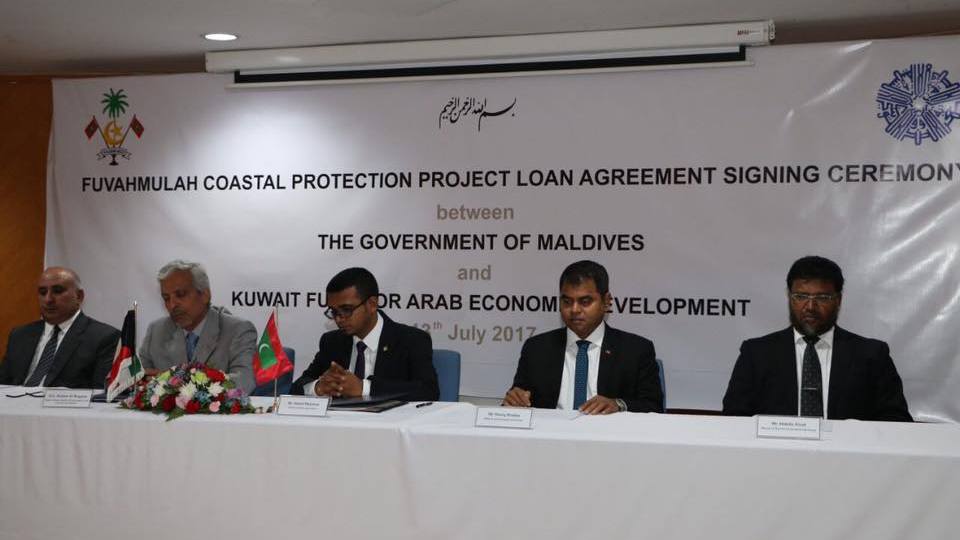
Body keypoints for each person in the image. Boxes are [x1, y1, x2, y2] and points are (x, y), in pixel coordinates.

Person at [722, 255, 912, 421]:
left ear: (838, 300)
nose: (810, 307)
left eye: (822, 298)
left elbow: (896, 420)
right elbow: (734, 418)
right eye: (801, 296)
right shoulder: (757, 354)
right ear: (790, 297)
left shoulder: (872, 356)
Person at [503, 260, 663, 414]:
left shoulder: (636, 351)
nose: (574, 310)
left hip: (607, 432)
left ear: (606, 301)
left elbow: (653, 406)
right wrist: (515, 400)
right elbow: (518, 399)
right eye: (567, 301)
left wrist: (618, 404)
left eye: (585, 301)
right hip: (550, 431)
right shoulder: (537, 349)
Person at [291, 267, 439, 401]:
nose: (338, 319)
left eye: (347, 310)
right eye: (334, 311)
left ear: (372, 304)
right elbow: (297, 388)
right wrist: (318, 387)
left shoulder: (411, 340)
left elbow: (428, 390)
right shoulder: (332, 341)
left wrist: (364, 388)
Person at [139, 260, 256, 393]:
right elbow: (137, 379)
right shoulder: (156, 331)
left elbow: (244, 382)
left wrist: (173, 381)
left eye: (180, 295)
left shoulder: (238, 330)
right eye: (166, 298)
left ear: (205, 295)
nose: (172, 305)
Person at [0, 267, 119, 389]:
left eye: (57, 291)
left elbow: (101, 393)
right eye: (42, 292)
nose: (48, 299)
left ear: (79, 296)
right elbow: (3, 384)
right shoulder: (20, 335)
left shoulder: (104, 337)